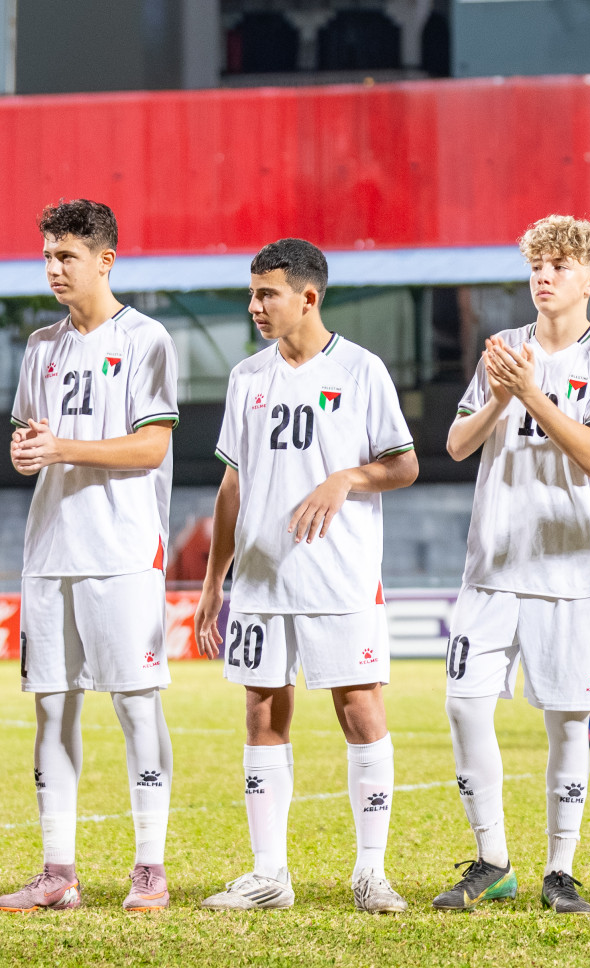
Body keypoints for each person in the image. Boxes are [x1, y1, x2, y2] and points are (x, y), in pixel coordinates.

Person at [193, 239, 419, 914]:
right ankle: (269, 875)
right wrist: (214, 583)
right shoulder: (247, 378)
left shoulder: (360, 370)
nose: (256, 306)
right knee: (262, 713)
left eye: (268, 293)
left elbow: (403, 466)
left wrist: (347, 477)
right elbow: (232, 488)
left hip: (338, 578)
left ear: (308, 296)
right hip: (261, 583)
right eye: (253, 293)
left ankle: (371, 872)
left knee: (360, 710)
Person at [433, 216, 590, 915]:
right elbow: (458, 445)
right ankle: (493, 858)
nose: (543, 275)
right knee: (463, 705)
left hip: (570, 568)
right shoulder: (503, 351)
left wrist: (531, 394)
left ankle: (560, 867)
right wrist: (497, 394)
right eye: (536, 265)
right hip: (492, 563)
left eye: (558, 264)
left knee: (567, 721)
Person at [2, 200, 180, 913]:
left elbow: (153, 447)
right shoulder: (40, 346)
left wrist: (62, 448)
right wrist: (26, 454)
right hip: (49, 551)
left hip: (123, 551)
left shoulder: (146, 339)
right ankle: (58, 872)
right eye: (47, 254)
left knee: (137, 707)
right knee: (53, 708)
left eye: (66, 256)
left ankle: (150, 868)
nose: (53, 268)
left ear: (105, 259)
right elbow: (28, 444)